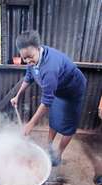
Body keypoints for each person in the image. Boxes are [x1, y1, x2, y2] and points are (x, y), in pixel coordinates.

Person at [11, 30, 87, 166]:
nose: (28, 61)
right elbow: (29, 76)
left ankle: (58, 154)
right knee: (55, 118)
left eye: (30, 56)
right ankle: (49, 147)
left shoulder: (50, 67)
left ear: (38, 48)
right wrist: (17, 96)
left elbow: (46, 101)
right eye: (24, 58)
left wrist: (31, 124)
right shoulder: (32, 61)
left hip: (72, 91)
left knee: (68, 126)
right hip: (57, 90)